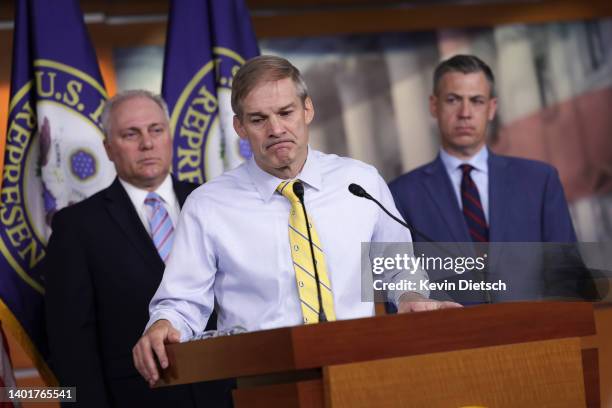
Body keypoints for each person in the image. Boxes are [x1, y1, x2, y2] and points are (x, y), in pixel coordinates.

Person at [133, 55, 460, 387]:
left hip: (360, 373)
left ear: (308, 110)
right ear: (239, 127)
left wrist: (410, 297)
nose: (276, 129)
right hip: (265, 384)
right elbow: (183, 301)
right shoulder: (208, 205)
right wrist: (162, 324)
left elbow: (398, 266)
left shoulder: (360, 182)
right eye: (259, 119)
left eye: (286, 113)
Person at [44, 90, 228, 407]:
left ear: (168, 136)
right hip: (139, 398)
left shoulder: (214, 203)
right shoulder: (76, 226)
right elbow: (72, 344)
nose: (147, 143)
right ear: (108, 148)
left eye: (156, 130)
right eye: (131, 134)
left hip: (229, 391)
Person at [389, 54, 587, 302]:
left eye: (476, 101)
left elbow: (567, 275)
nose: (465, 113)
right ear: (434, 105)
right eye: (453, 100)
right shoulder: (401, 194)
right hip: (450, 337)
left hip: (537, 335)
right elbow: (395, 278)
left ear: (492, 108)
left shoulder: (539, 181)